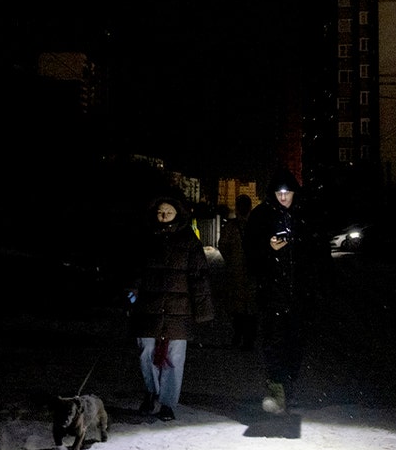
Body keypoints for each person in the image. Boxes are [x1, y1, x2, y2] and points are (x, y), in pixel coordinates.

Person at [244, 168, 332, 414]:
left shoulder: (305, 217)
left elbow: (319, 253)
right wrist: (268, 248)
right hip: (272, 294)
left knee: (295, 344)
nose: (283, 197)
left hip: (300, 296)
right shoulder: (261, 216)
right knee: (273, 343)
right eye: (279, 192)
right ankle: (277, 390)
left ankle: (287, 386)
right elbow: (250, 254)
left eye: (287, 192)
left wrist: (320, 285)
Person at [125, 195, 216, 421]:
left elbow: (199, 278)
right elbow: (134, 270)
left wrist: (202, 309)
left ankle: (167, 402)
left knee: (175, 357)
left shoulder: (189, 241)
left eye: (169, 212)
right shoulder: (145, 239)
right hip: (148, 308)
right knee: (145, 351)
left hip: (179, 310)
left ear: (178, 214)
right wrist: (132, 291)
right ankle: (151, 392)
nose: (164, 216)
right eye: (160, 212)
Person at [217, 193, 258, 350]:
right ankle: (247, 338)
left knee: (239, 307)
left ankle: (241, 336)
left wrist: (232, 261)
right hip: (248, 271)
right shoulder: (254, 225)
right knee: (248, 308)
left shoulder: (232, 226)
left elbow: (223, 246)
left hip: (238, 272)